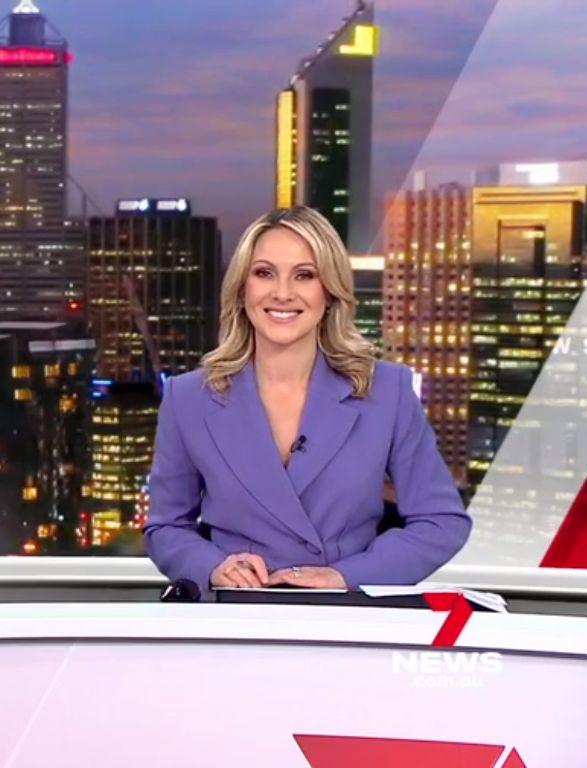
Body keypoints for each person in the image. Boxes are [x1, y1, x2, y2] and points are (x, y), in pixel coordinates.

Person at [143, 206, 470, 591]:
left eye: (305, 275)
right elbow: (166, 527)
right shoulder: (188, 398)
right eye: (264, 273)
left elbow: (441, 521)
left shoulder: (386, 391)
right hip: (235, 612)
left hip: (342, 612)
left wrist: (347, 576)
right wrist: (215, 568)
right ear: (242, 288)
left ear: (329, 292)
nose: (282, 293)